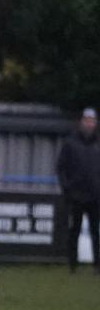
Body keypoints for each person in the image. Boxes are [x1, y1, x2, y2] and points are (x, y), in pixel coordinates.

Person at [56, 107, 100, 273]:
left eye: (92, 121)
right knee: (74, 230)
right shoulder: (70, 143)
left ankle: (97, 265)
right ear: (81, 122)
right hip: (76, 196)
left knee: (96, 231)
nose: (89, 124)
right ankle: (73, 266)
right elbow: (60, 168)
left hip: (95, 196)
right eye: (86, 120)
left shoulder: (98, 144)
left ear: (95, 123)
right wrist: (67, 188)